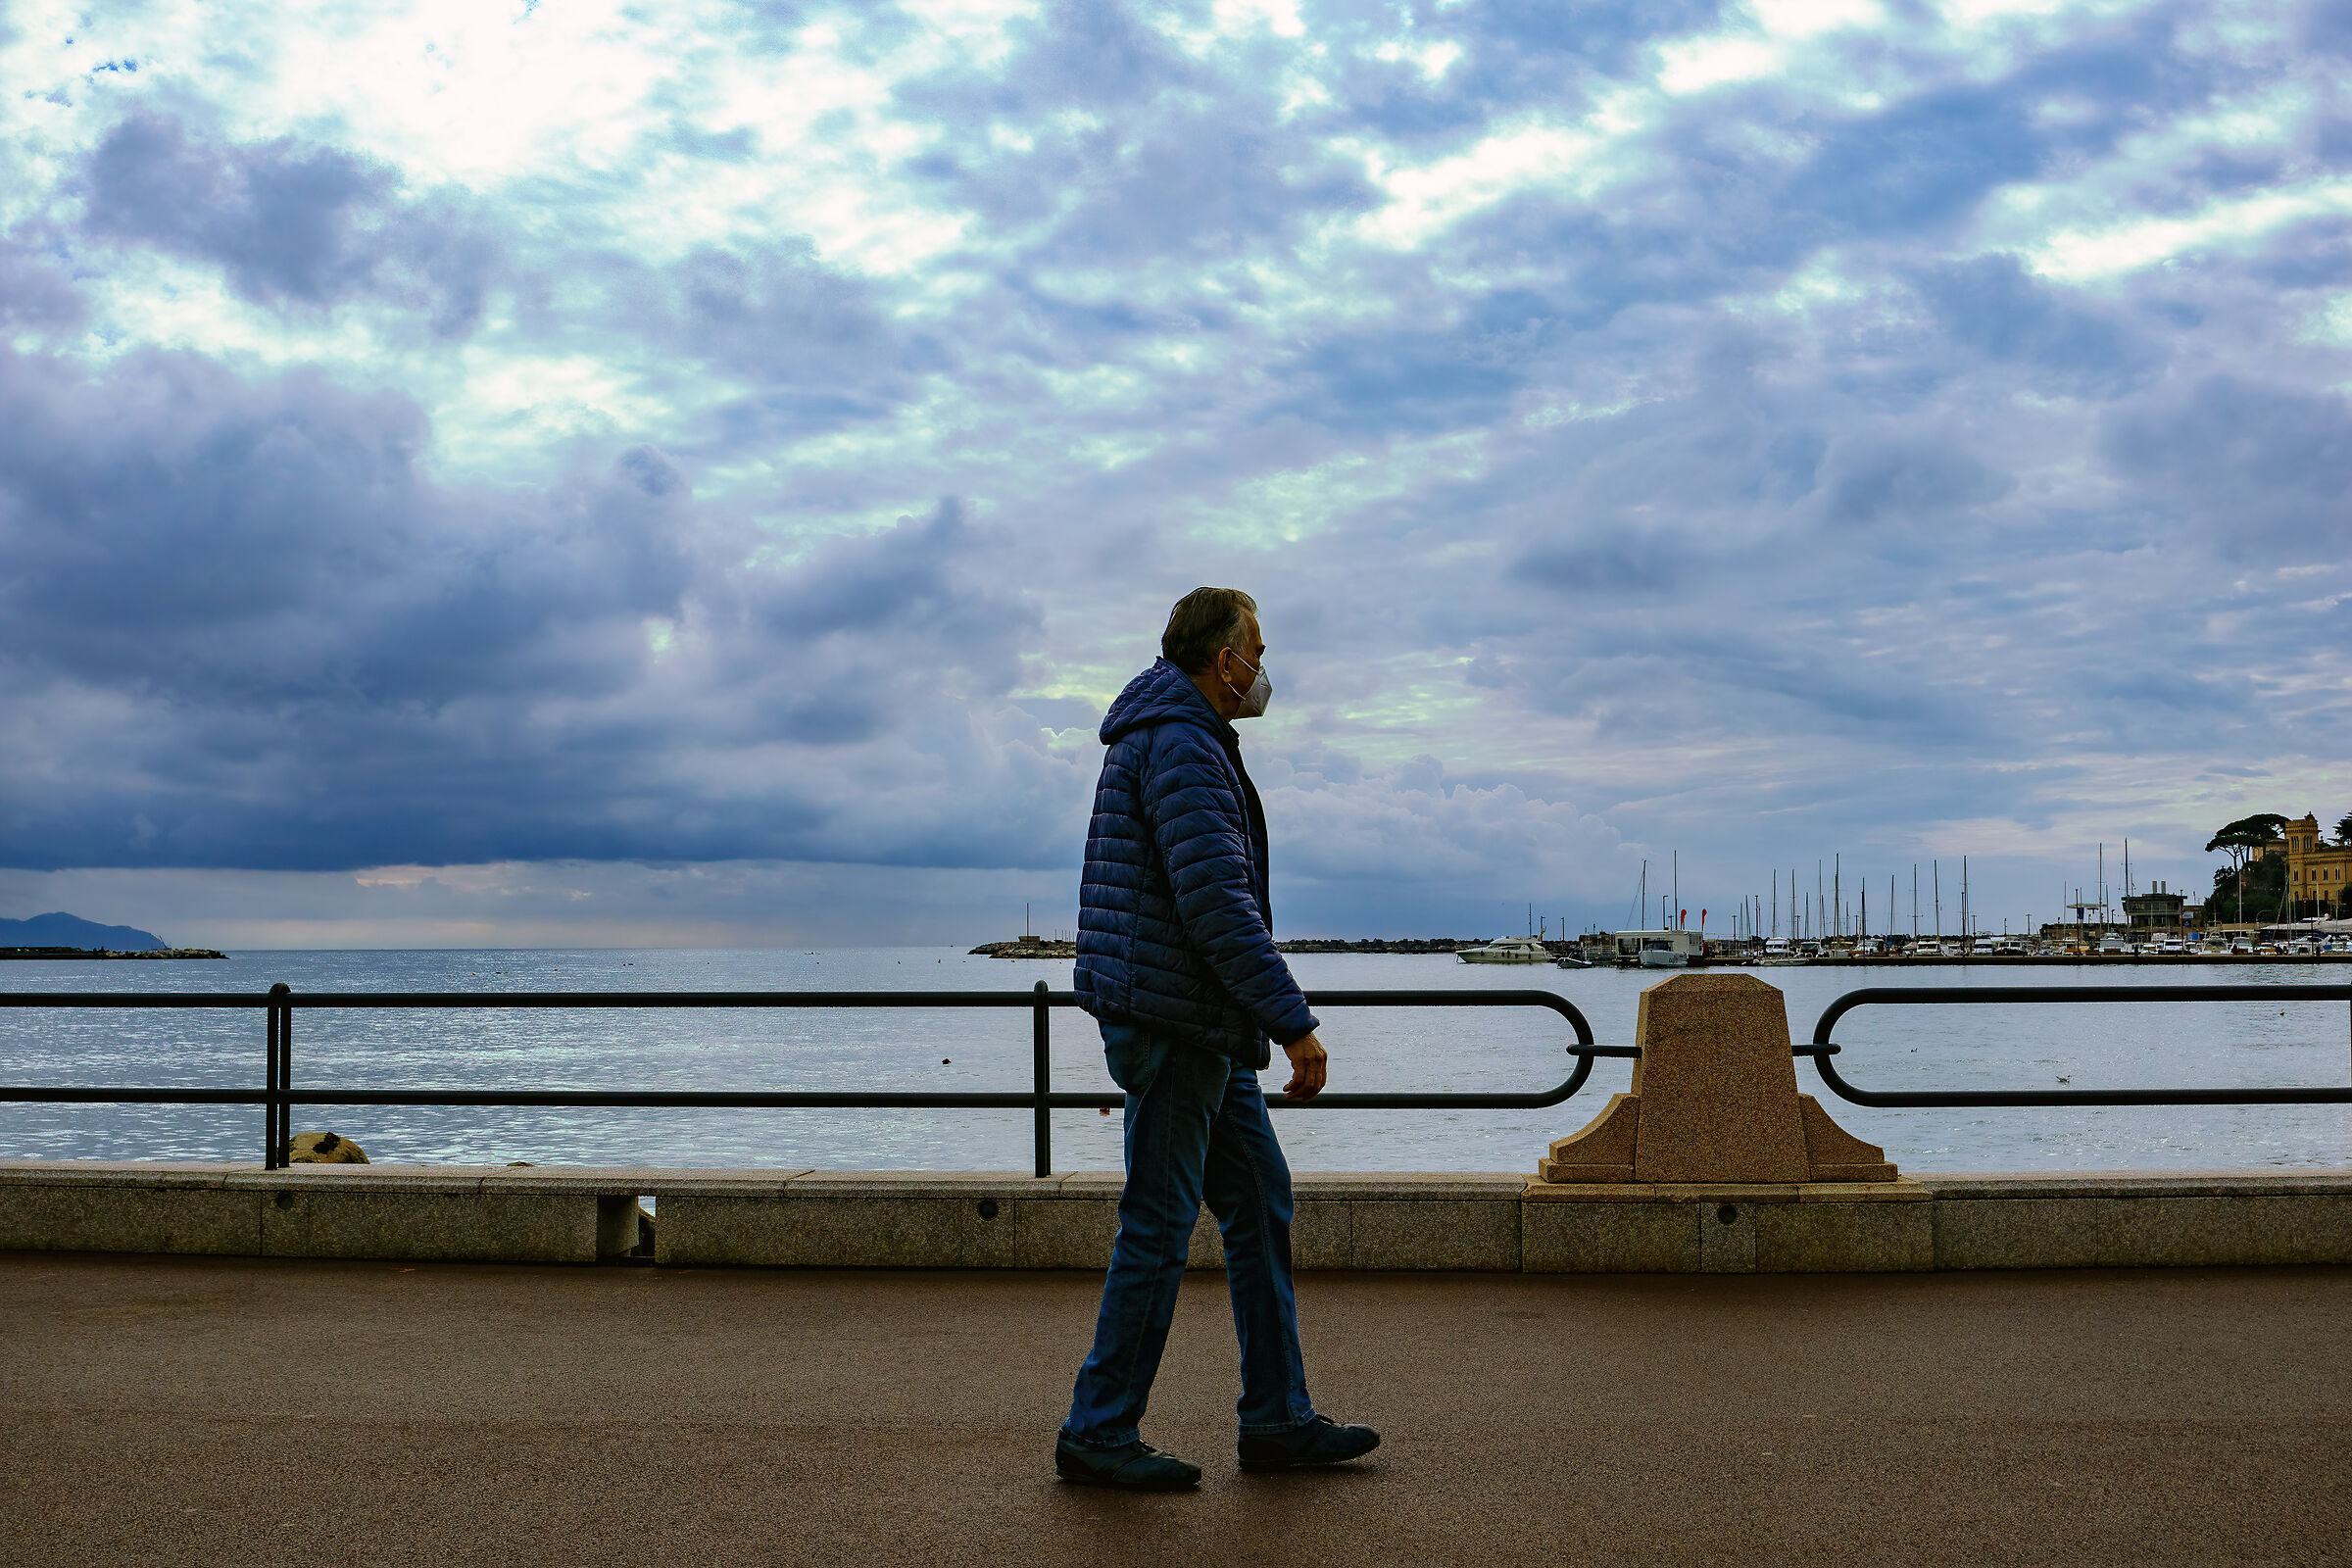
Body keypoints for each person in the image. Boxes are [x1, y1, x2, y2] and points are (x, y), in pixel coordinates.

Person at [1054, 586, 1381, 1492]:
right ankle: (1098, 1429)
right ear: (1221, 658)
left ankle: (1277, 1418)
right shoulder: (1183, 745)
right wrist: (1294, 1021)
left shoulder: (1170, 736)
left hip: (1191, 1022)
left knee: (1259, 1201)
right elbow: (1214, 903)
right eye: (1258, 650)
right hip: (1174, 1024)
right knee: (1159, 1225)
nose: (1264, 670)